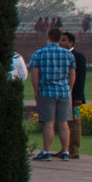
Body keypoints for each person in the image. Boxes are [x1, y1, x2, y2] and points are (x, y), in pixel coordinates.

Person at [28, 28, 73, 161]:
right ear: (60, 38)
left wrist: (36, 90)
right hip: (64, 91)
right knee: (63, 123)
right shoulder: (68, 54)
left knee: (49, 123)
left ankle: (46, 151)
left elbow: (35, 74)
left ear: (48, 36)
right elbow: (72, 73)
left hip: (46, 91)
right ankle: (65, 151)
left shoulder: (39, 53)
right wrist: (69, 89)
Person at [64, 30, 87, 159]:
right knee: (63, 122)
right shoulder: (61, 55)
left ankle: (74, 149)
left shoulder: (78, 56)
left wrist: (79, 96)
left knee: (74, 123)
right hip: (62, 93)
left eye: (64, 40)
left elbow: (80, 78)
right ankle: (65, 148)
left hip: (74, 95)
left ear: (71, 42)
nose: (61, 43)